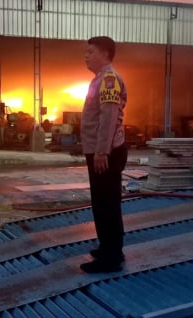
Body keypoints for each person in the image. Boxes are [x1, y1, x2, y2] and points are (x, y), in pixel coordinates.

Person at [79, 36, 128, 273]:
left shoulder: (109, 80)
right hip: (100, 151)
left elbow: (108, 119)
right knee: (101, 202)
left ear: (105, 54)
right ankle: (107, 246)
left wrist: (101, 151)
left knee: (107, 203)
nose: (86, 56)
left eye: (90, 52)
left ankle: (112, 256)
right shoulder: (98, 80)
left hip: (106, 152)